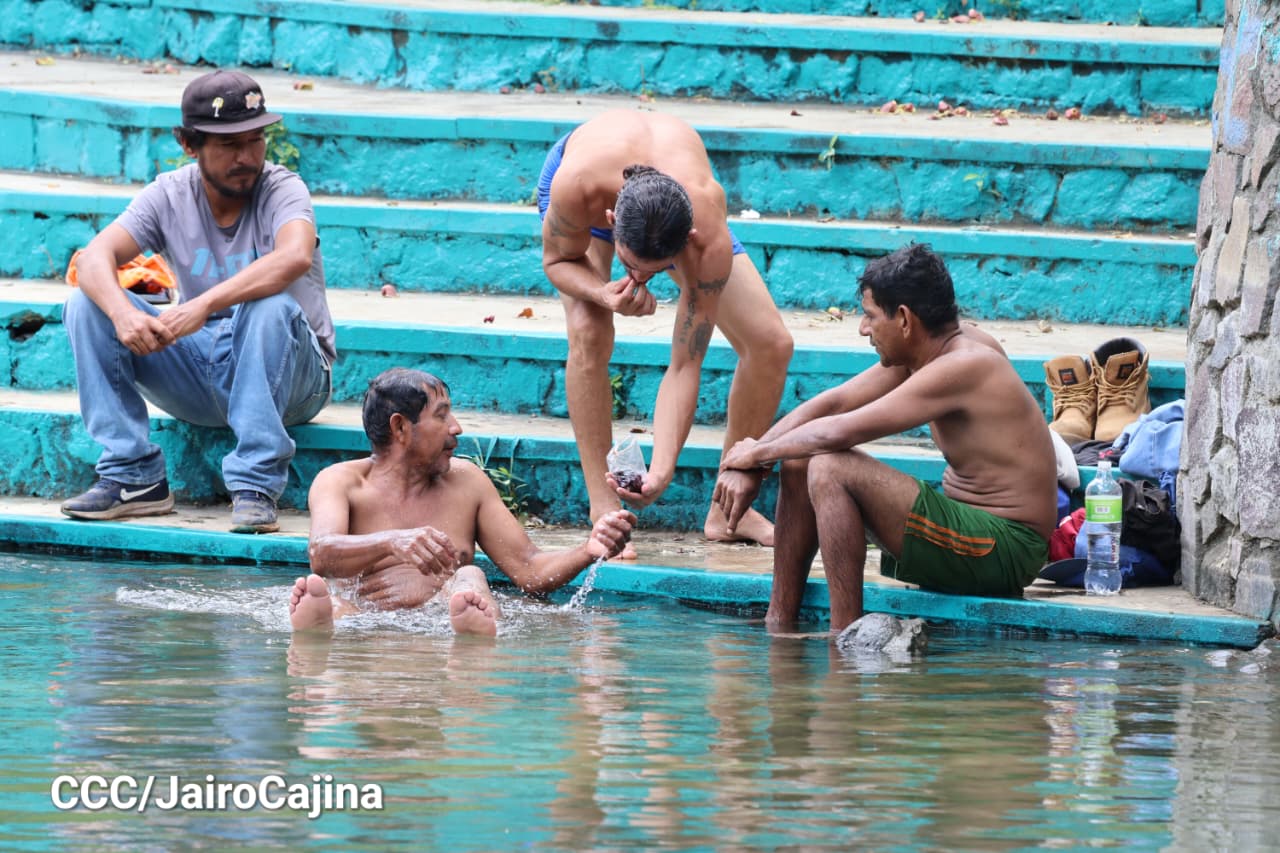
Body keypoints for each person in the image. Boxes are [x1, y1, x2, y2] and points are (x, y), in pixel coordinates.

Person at [713, 244, 1056, 635]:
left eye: (870, 316)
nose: (863, 328)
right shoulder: (931, 349)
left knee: (828, 463)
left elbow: (840, 430)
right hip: (970, 535)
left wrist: (754, 455)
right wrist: (752, 463)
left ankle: (846, 639)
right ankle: (780, 622)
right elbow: (834, 403)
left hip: (1003, 549)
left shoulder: (965, 364)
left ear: (905, 320)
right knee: (801, 458)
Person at [59, 70, 335, 534]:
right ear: (189, 144)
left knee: (269, 306)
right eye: (229, 145)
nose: (247, 157)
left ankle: (255, 485)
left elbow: (293, 257)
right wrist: (125, 313)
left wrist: (202, 305)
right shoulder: (169, 193)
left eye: (255, 140)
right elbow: (93, 259)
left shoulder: (283, 188)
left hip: (295, 378)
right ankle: (133, 475)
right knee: (87, 304)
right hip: (203, 366)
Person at [538, 111, 794, 553]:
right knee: (589, 331)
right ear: (612, 219)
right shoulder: (575, 184)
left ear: (688, 241)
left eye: (653, 272)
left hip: (674, 202)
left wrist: (662, 468)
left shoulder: (706, 231)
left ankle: (728, 510)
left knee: (770, 343)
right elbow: (558, 261)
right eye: (631, 264)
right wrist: (603, 295)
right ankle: (603, 509)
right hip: (589, 184)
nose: (638, 277)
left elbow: (685, 363)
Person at [288, 368, 636, 637]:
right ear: (400, 428)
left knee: (469, 576)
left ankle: (473, 628)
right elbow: (322, 554)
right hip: (363, 621)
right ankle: (322, 624)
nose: (456, 428)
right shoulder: (341, 482)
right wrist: (392, 541)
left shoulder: (467, 482)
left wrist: (587, 550)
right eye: (442, 415)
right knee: (333, 601)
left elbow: (529, 570)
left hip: (441, 620)